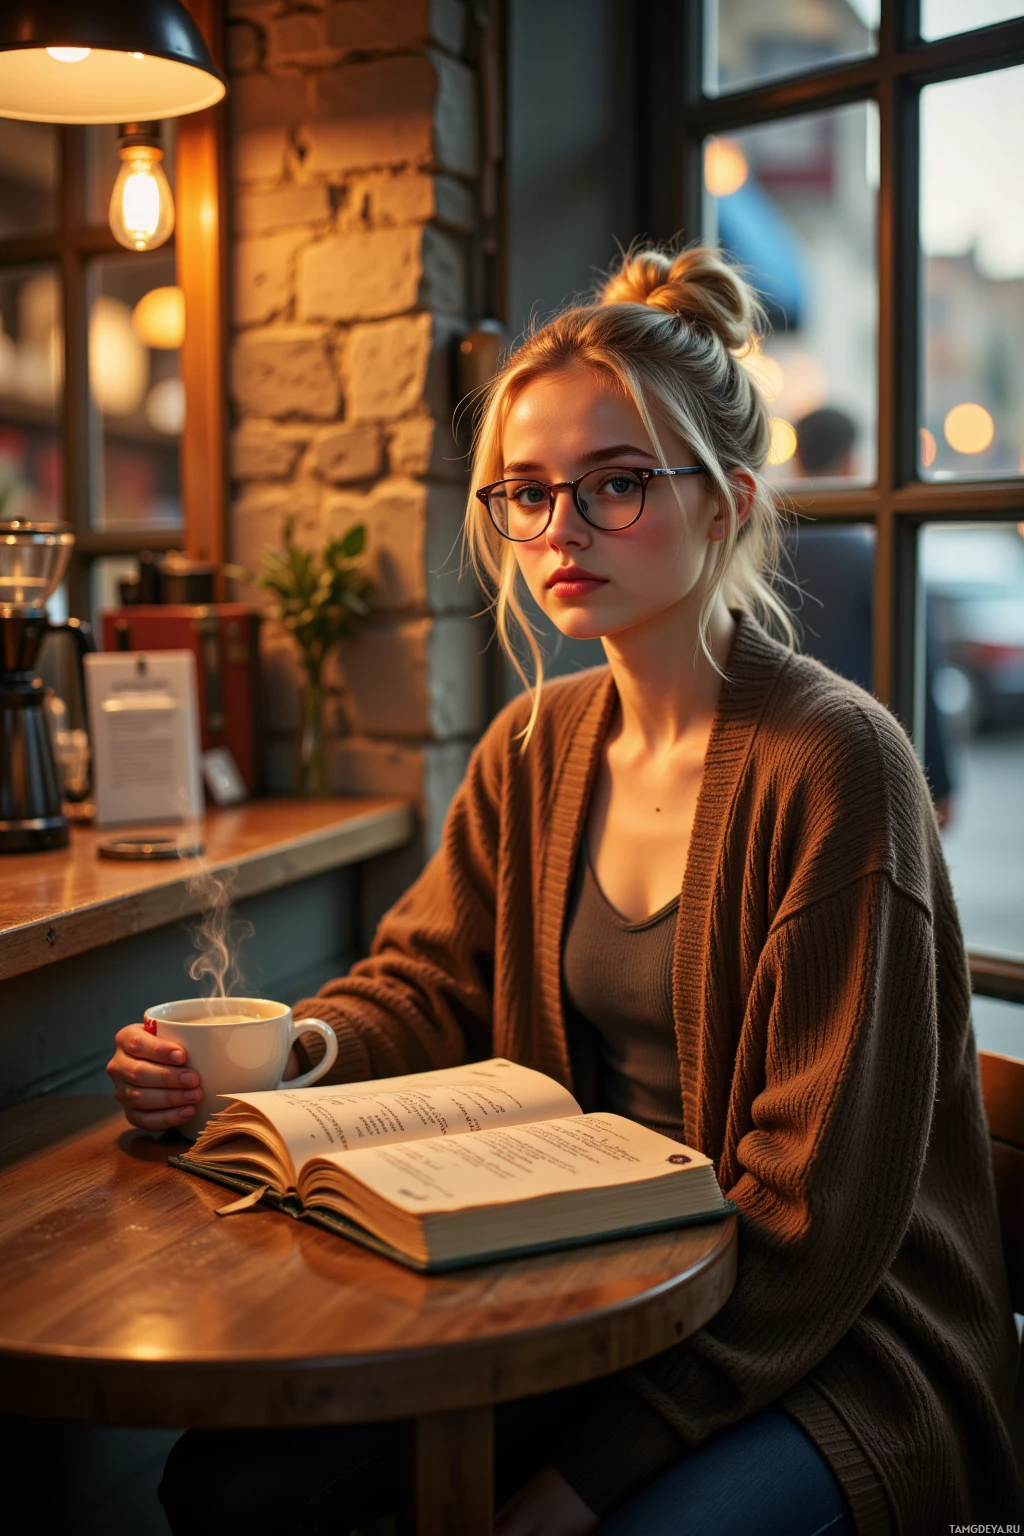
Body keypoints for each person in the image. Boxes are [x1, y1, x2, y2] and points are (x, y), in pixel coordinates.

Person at [107, 247, 1020, 1535]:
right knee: (232, 1482)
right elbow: (427, 982)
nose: (560, 531)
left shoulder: (836, 764)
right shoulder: (532, 746)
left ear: (728, 503)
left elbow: (813, 1225)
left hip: (831, 1341)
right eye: (524, 495)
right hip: (590, 1292)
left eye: (616, 484)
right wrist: (277, 1058)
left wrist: (579, 1482)